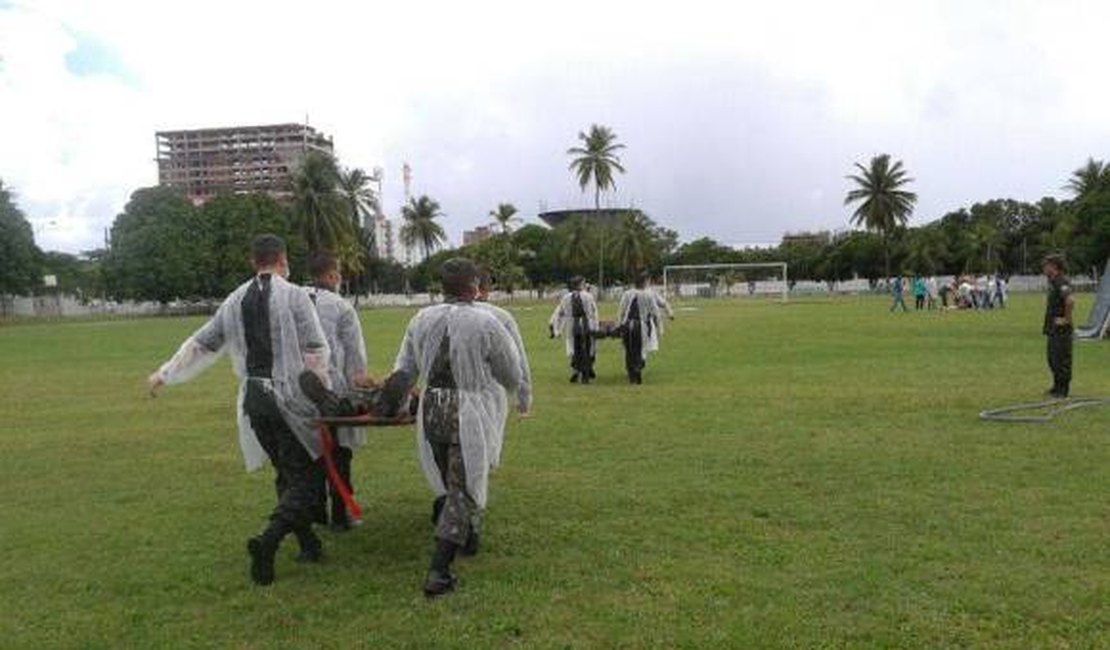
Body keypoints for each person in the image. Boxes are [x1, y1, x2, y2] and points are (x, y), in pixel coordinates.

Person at [148, 234, 332, 586]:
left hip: (254, 400)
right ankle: (268, 542)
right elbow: (315, 347)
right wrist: (321, 391)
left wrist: (165, 373)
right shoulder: (295, 296)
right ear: (282, 259)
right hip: (290, 398)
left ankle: (309, 543)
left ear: (253, 261)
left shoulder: (234, 300)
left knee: (286, 472)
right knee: (306, 481)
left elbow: (203, 342)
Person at [393, 258, 524, 597]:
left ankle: (468, 537)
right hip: (467, 409)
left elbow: (404, 369)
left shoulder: (421, 318)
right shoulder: (486, 321)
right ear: (475, 286)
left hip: (430, 409)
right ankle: (438, 570)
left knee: (451, 484)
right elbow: (510, 373)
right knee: (462, 489)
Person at [304, 252, 371, 532]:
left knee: (309, 452)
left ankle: (315, 511)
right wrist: (361, 389)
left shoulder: (294, 299)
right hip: (332, 389)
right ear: (332, 276)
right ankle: (340, 514)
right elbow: (355, 355)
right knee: (338, 452)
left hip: (299, 388)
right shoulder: (341, 306)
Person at [475, 271, 533, 422]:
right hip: (488, 395)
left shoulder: (433, 318)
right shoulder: (500, 317)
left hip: (445, 397)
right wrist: (524, 398)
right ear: (487, 289)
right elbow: (519, 360)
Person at [617, 273, 674, 384]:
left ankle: (631, 373)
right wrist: (660, 328)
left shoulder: (627, 294)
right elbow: (655, 313)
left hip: (627, 325)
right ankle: (638, 367)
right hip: (641, 325)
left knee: (629, 350)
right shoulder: (648, 295)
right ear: (645, 282)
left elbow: (621, 311)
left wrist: (619, 326)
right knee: (641, 348)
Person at [549, 276, 599, 383]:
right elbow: (594, 312)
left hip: (572, 325)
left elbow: (560, 313)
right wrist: (596, 327)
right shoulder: (588, 296)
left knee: (574, 349)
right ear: (581, 284)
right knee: (588, 348)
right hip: (586, 325)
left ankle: (576, 370)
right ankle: (586, 372)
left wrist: (557, 328)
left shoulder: (566, 298)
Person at [1042, 254, 1075, 398]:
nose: (1044, 268)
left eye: (1047, 265)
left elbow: (1070, 300)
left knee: (1061, 359)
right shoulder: (1053, 281)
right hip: (1053, 328)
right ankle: (1056, 387)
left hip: (1061, 329)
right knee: (1053, 358)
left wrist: (1066, 319)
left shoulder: (1061, 281)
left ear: (1054, 267)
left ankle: (1063, 390)